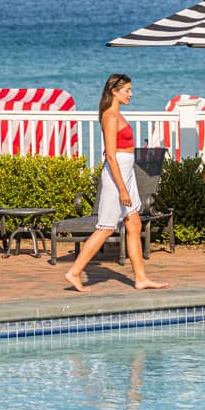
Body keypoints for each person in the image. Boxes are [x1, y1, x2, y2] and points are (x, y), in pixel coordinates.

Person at [65, 73, 168, 292]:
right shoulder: (110, 117)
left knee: (134, 224)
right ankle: (74, 272)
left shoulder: (118, 115)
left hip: (126, 171)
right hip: (116, 175)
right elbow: (110, 156)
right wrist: (122, 188)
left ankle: (140, 278)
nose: (131, 94)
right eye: (127, 90)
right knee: (106, 227)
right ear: (114, 91)